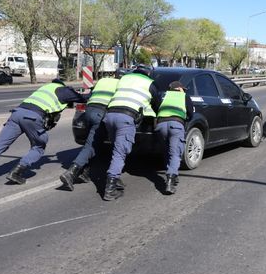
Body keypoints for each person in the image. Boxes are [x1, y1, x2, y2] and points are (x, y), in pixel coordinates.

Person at [0, 79, 86, 189]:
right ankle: (16, 172)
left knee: (0, 144)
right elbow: (85, 98)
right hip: (32, 117)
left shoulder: (45, 88)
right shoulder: (64, 90)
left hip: (16, 114)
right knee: (39, 146)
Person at [102, 66, 159, 201]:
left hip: (110, 115)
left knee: (115, 148)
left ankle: (114, 178)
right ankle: (110, 188)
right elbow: (156, 103)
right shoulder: (149, 83)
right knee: (120, 152)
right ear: (148, 73)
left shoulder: (124, 79)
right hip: (126, 118)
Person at [59, 75, 120, 191]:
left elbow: (91, 93)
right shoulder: (120, 84)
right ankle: (71, 173)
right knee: (91, 145)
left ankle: (85, 173)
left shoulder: (103, 81)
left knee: (95, 143)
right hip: (101, 113)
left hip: (89, 110)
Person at [154, 81, 194, 194]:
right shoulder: (184, 96)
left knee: (167, 151)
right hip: (176, 125)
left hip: (161, 125)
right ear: (180, 89)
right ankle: (170, 181)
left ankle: (173, 173)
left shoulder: (163, 95)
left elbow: (156, 107)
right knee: (175, 153)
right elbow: (190, 113)